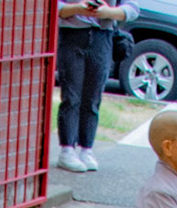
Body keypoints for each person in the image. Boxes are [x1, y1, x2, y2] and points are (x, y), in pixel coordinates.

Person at [54, 0, 135, 174]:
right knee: (71, 96)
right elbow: (54, 6)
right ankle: (67, 149)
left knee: (93, 97)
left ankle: (87, 148)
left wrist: (108, 12)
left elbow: (132, 8)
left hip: (102, 37)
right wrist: (77, 8)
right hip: (71, 35)